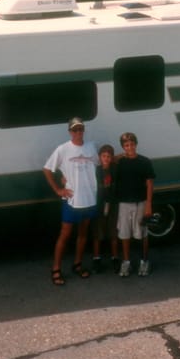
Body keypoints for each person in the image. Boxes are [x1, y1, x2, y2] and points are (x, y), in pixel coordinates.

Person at [43, 117, 98, 286]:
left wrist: (118, 157)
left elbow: (100, 163)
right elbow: (47, 169)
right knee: (65, 234)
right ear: (70, 132)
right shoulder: (63, 149)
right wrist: (58, 189)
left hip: (89, 198)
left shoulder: (91, 147)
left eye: (81, 129)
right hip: (71, 199)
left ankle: (77, 264)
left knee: (83, 234)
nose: (78, 132)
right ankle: (56, 269)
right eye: (75, 130)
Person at [114, 131, 155, 277]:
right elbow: (106, 162)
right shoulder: (119, 163)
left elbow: (149, 183)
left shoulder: (145, 162)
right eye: (126, 145)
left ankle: (145, 261)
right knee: (124, 233)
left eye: (132, 144)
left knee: (142, 233)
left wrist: (149, 204)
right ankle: (126, 262)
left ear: (136, 145)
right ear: (123, 147)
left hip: (141, 202)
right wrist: (118, 156)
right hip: (124, 203)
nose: (130, 147)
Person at [91, 144, 120, 273]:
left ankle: (115, 258)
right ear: (99, 157)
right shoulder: (96, 170)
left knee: (113, 232)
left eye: (109, 156)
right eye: (104, 156)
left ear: (112, 158)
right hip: (99, 204)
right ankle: (97, 258)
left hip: (113, 204)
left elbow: (123, 158)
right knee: (98, 232)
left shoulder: (115, 168)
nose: (106, 158)